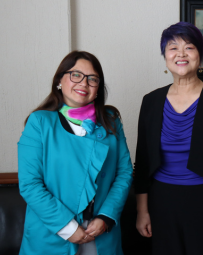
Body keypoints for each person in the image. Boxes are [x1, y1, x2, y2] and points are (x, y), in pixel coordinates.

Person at [134, 22, 203, 255]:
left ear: (200, 56)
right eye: (173, 48)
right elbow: (142, 162)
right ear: (165, 56)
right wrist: (142, 211)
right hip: (162, 202)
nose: (181, 54)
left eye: (189, 48)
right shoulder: (151, 101)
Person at [18, 51, 133, 255]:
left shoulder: (111, 121)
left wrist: (106, 217)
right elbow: (30, 184)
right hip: (53, 233)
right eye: (76, 75)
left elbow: (123, 174)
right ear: (59, 81)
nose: (84, 83)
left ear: (98, 88)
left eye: (93, 79)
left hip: (100, 233)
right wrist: (68, 228)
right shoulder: (40, 122)